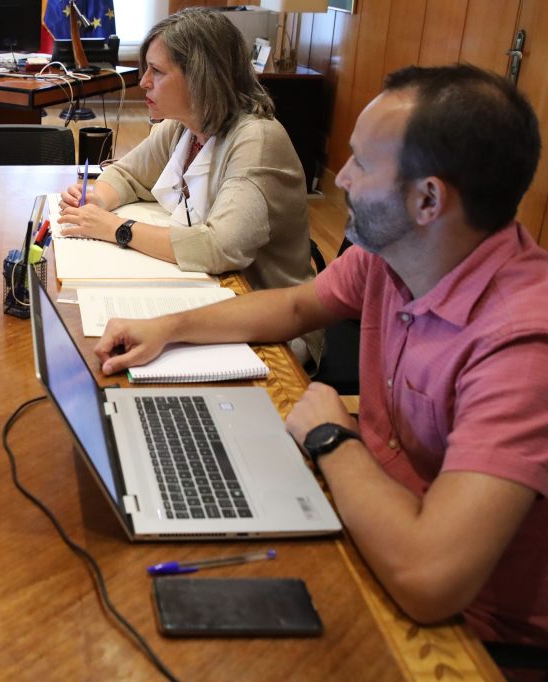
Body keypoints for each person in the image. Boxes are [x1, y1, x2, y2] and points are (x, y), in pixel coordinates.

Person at [92, 64, 548, 650]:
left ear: (428, 199)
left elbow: (430, 579)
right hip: (369, 522)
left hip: (468, 636)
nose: (342, 181)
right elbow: (296, 308)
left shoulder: (522, 345)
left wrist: (333, 439)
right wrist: (168, 328)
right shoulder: (400, 250)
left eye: (361, 163)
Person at [58, 7, 320, 365]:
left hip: (273, 329)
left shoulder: (257, 141)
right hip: (210, 297)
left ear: (201, 78)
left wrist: (118, 229)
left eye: (158, 71)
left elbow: (221, 247)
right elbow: (128, 175)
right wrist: (96, 198)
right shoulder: (183, 125)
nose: (143, 81)